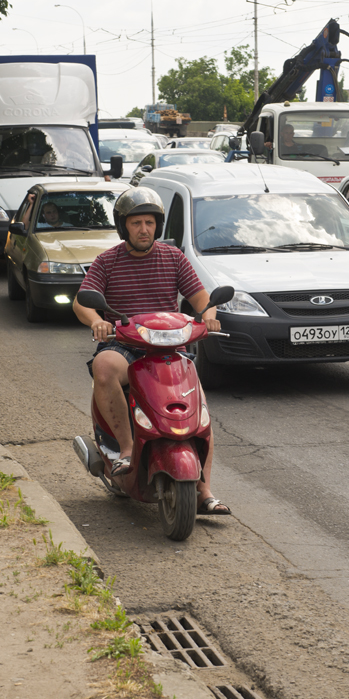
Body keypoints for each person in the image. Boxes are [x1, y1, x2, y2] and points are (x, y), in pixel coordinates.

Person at [72, 188, 231, 515]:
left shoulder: (173, 257)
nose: (144, 229)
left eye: (149, 222)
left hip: (171, 346)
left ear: (157, 226)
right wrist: (97, 322)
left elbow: (202, 300)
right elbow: (81, 300)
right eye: (136, 223)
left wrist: (210, 318)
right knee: (103, 366)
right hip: (124, 344)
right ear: (123, 227)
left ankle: (203, 489)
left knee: (198, 404)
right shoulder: (107, 261)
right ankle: (127, 449)